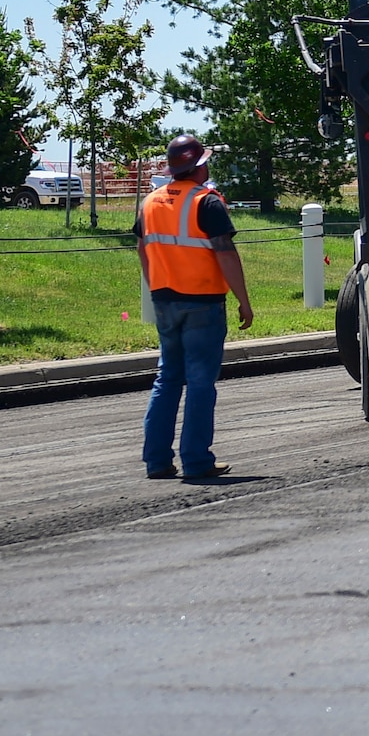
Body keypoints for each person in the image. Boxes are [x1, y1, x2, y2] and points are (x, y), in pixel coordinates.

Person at [135, 134, 253, 480]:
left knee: (167, 378)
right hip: (202, 303)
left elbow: (143, 249)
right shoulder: (207, 202)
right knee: (201, 382)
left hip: (165, 299)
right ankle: (197, 461)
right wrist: (243, 301)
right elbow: (225, 253)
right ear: (199, 166)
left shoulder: (150, 203)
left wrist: (155, 284)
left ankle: (157, 461)